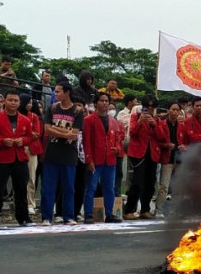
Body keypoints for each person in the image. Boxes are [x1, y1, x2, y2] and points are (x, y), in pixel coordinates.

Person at [40, 82, 83, 225]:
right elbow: (47, 129)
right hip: (51, 153)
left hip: (69, 155)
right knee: (48, 187)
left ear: (67, 92)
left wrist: (56, 130)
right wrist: (66, 133)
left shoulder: (77, 111)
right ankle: (46, 217)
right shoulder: (52, 108)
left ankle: (68, 216)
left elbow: (75, 134)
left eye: (58, 91)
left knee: (69, 187)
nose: (55, 94)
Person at [0, 91, 33, 227]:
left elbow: (29, 137)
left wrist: (23, 140)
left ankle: (23, 218)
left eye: (16, 100)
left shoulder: (25, 120)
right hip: (1, 158)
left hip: (19, 158)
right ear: (4, 102)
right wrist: (2, 141)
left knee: (21, 189)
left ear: (19, 103)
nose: (13, 103)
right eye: (10, 100)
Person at [123, 94, 166, 220]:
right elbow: (132, 133)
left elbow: (161, 137)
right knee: (137, 182)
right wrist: (140, 121)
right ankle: (129, 210)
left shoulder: (158, 120)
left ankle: (145, 209)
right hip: (138, 154)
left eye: (152, 107)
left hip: (152, 154)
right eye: (147, 107)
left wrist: (154, 125)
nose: (150, 109)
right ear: (143, 107)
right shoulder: (135, 117)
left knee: (150, 183)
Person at [83, 92, 121, 224]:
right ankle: (88, 214)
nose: (104, 103)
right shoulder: (88, 120)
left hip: (110, 158)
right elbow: (86, 142)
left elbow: (117, 139)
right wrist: (89, 159)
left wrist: (117, 148)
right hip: (96, 159)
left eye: (106, 101)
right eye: (101, 100)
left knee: (109, 187)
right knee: (91, 187)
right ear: (96, 103)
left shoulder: (113, 121)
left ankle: (109, 213)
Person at [157, 101, 189, 215]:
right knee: (164, 186)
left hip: (179, 159)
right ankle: (159, 210)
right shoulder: (161, 124)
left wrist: (184, 146)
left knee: (178, 187)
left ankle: (173, 210)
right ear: (168, 110)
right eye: (173, 109)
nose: (175, 112)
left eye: (177, 110)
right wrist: (166, 145)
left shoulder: (182, 127)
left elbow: (187, 142)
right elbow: (157, 142)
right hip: (167, 158)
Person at [19, 95, 43, 217]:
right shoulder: (16, 115)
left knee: (31, 177)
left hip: (31, 149)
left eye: (31, 103)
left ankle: (30, 203)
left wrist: (24, 134)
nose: (30, 105)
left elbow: (36, 134)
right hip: (17, 148)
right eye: (28, 103)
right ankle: (19, 203)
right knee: (19, 178)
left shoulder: (34, 116)